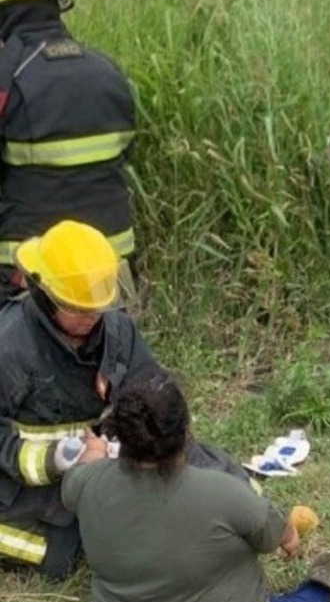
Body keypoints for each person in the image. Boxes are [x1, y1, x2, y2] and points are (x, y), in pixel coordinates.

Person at [0, 219, 259, 580]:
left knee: (206, 477)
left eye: (98, 307)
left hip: (102, 469)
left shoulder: (115, 330)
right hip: (26, 487)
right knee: (64, 551)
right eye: (80, 309)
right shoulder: (9, 346)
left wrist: (129, 428)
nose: (93, 318)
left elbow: (158, 401)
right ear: (45, 296)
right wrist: (59, 458)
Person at [62, 369, 330, 602]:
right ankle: (321, 587)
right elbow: (278, 536)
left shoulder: (85, 482)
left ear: (120, 434)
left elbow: (78, 477)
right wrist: (291, 541)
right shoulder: (225, 492)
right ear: (185, 432)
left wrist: (93, 452)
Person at [0, 0, 137, 304]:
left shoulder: (8, 76)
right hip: (113, 258)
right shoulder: (107, 71)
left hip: (30, 265)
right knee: (111, 348)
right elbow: (125, 155)